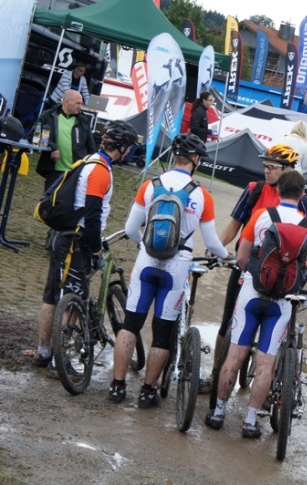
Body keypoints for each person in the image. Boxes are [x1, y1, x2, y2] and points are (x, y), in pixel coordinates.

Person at [205, 170, 307, 437]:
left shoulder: (261, 216)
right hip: (281, 301)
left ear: (278, 191)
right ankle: (250, 420)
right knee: (266, 362)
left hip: (251, 294)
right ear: (302, 195)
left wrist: (252, 275)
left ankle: (218, 412)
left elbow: (243, 255)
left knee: (235, 355)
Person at [108, 134, 232, 407]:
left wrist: (145, 246)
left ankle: (117, 386)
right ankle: (148, 391)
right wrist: (227, 256)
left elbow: (130, 230)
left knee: (131, 325)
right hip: (176, 267)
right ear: (196, 160)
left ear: (174, 157)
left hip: (146, 262)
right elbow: (212, 242)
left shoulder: (151, 186)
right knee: (163, 332)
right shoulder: (202, 195)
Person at [205, 144, 307, 392]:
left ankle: (270, 385)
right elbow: (234, 225)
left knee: (279, 331)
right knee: (227, 322)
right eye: (265, 166)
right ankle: (216, 375)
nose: (267, 171)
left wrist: (303, 273)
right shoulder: (254, 190)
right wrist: (216, 248)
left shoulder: (303, 202)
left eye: (273, 167)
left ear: (288, 170)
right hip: (248, 267)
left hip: (284, 274)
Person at [31, 120, 138, 374]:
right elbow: (92, 214)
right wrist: (95, 248)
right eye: (130, 148)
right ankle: (59, 361)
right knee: (73, 300)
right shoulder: (101, 171)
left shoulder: (91, 160)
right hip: (75, 241)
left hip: (63, 235)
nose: (131, 153)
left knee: (52, 296)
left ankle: (44, 351)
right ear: (121, 147)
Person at [35, 90, 96, 191]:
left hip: (76, 173)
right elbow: (35, 137)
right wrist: (52, 147)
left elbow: (91, 149)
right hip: (54, 172)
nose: (80, 107)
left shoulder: (83, 121)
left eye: (81, 103)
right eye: (78, 103)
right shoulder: (48, 116)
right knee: (49, 204)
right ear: (67, 101)